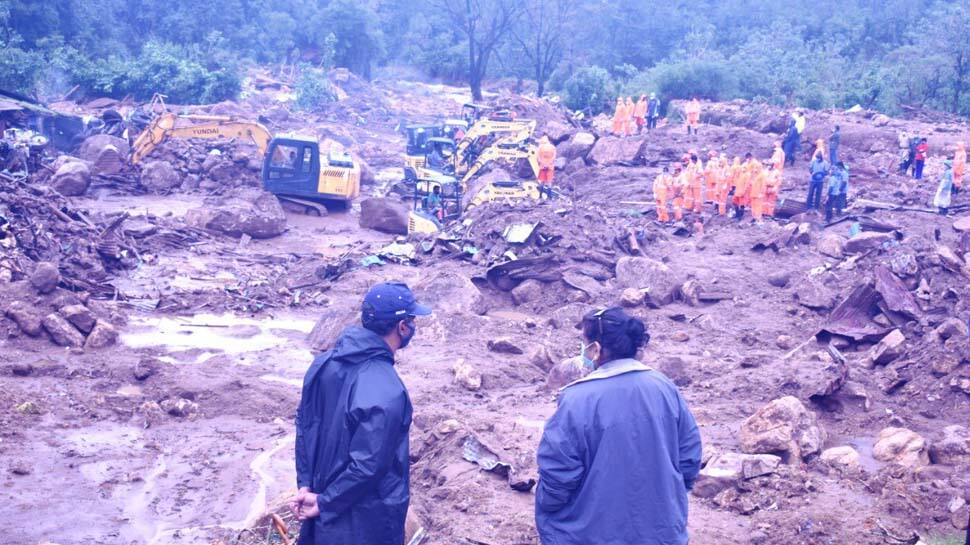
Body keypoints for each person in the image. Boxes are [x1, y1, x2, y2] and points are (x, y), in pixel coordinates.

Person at [535, 307, 702, 545]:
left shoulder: (576, 399)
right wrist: (669, 499)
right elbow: (689, 458)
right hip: (661, 532)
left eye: (584, 343)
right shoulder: (665, 387)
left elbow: (558, 475)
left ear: (595, 349)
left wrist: (548, 506)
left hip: (588, 535)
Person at [292, 282, 431, 545]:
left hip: (320, 508)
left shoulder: (323, 363)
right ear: (402, 327)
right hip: (364, 521)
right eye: (412, 320)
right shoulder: (388, 389)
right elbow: (368, 466)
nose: (413, 327)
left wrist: (306, 484)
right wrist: (326, 502)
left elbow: (305, 427)